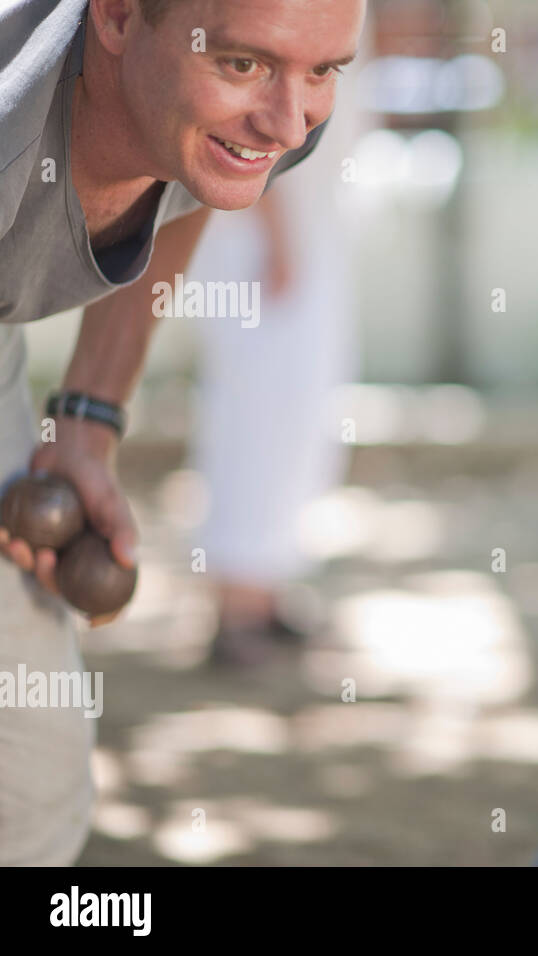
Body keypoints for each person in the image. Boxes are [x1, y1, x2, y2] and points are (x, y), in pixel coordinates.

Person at [0, 0, 365, 865]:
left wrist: (88, 419)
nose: (288, 120)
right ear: (120, 18)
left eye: (323, 72)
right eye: (241, 65)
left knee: (33, 771)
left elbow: (193, 185)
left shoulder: (268, 121)